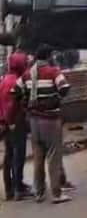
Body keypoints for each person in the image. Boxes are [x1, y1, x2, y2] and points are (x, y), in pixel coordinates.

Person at [16, 44, 72, 204]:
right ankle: (56, 193)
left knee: (38, 158)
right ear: (48, 57)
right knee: (54, 157)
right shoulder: (53, 72)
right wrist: (54, 99)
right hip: (50, 120)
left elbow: (15, 91)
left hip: (34, 121)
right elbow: (65, 88)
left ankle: (39, 192)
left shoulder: (27, 74)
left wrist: (26, 103)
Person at [1, 52, 29, 200]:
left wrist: (3, 121)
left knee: (8, 155)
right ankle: (18, 188)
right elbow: (14, 104)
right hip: (16, 122)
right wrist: (11, 120)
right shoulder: (17, 82)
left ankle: (9, 189)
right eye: (25, 63)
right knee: (19, 155)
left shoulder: (4, 80)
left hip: (5, 122)